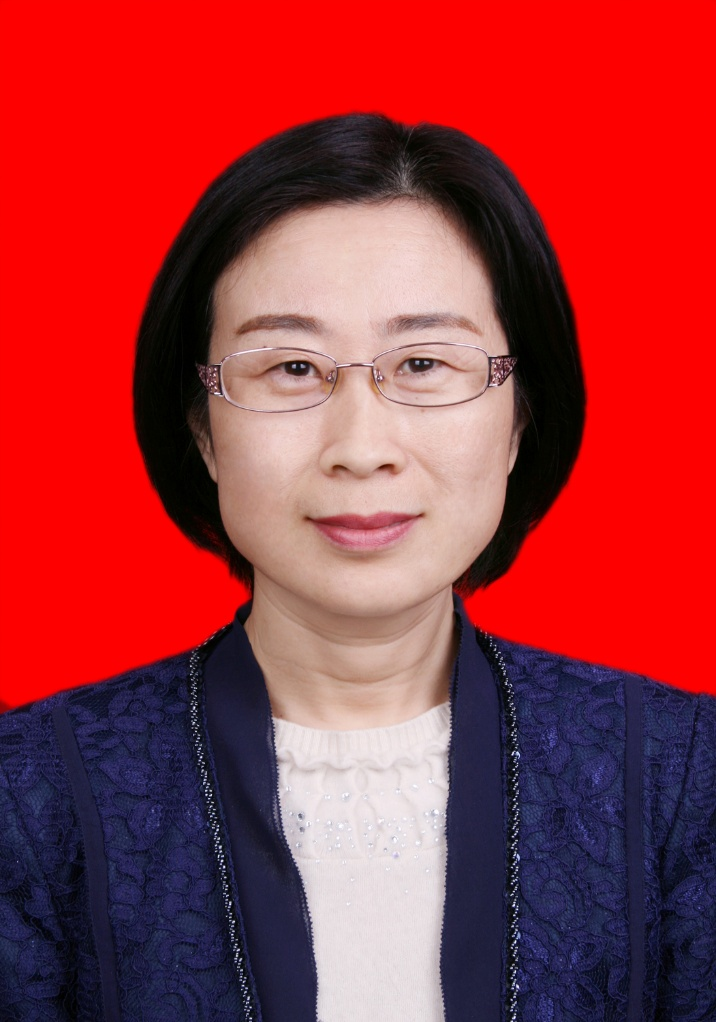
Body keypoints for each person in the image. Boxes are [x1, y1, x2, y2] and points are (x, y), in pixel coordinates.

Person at [0, 114, 713, 1022]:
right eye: (293, 368)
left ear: (519, 419)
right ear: (202, 430)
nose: (361, 447)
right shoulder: (29, 795)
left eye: (422, 362)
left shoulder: (683, 776)